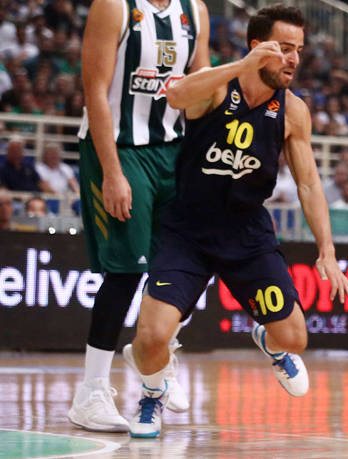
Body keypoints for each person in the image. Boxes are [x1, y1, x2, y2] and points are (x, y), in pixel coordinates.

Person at [125, 5, 348, 438]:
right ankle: (152, 394)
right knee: (151, 337)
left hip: (247, 233)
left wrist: (326, 249)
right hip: (188, 230)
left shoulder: (293, 111)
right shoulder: (216, 87)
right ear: (257, 47)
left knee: (295, 339)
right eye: (284, 48)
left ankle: (269, 341)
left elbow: (308, 185)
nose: (293, 59)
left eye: (298, 50)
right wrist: (242, 66)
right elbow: (176, 95)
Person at [69, 0, 210, 433]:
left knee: (181, 265)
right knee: (126, 271)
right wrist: (112, 173)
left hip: (172, 150)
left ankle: (156, 353)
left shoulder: (195, 10)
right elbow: (95, 90)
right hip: (119, 147)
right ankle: (91, 392)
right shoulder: (114, 6)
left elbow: (203, 89)